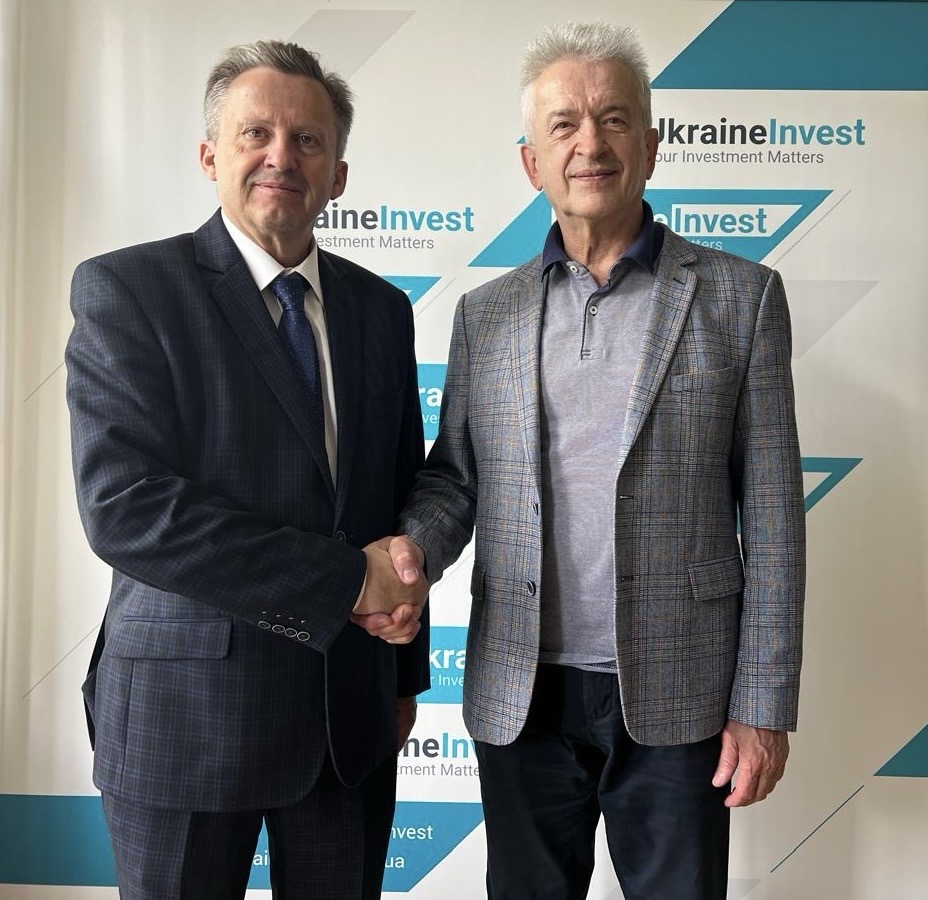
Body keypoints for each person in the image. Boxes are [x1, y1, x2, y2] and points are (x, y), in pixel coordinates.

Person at [361, 20, 806, 900]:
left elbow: (774, 520)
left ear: (651, 144)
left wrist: (762, 704)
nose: (590, 144)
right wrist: (411, 554)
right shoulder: (486, 314)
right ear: (533, 163)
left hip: (681, 693)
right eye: (563, 125)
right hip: (521, 691)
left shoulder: (741, 299)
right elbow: (455, 478)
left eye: (613, 119)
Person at [66, 39, 428, 900]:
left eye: (308, 140)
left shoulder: (382, 310)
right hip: (184, 723)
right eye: (255, 133)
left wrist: (402, 672)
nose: (281, 156)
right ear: (209, 156)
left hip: (348, 720)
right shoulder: (129, 290)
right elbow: (126, 508)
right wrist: (347, 582)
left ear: (338, 175)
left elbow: (397, 496)